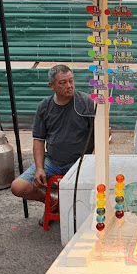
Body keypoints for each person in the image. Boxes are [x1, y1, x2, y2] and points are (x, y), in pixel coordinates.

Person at [11, 64, 95, 218]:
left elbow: (100, 136)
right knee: (18, 187)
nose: (69, 86)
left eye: (71, 81)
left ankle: (73, 211)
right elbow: (38, 140)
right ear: (52, 86)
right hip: (53, 162)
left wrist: (89, 163)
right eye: (63, 83)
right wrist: (39, 169)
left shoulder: (86, 102)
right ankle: (53, 202)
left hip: (79, 162)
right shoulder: (44, 107)